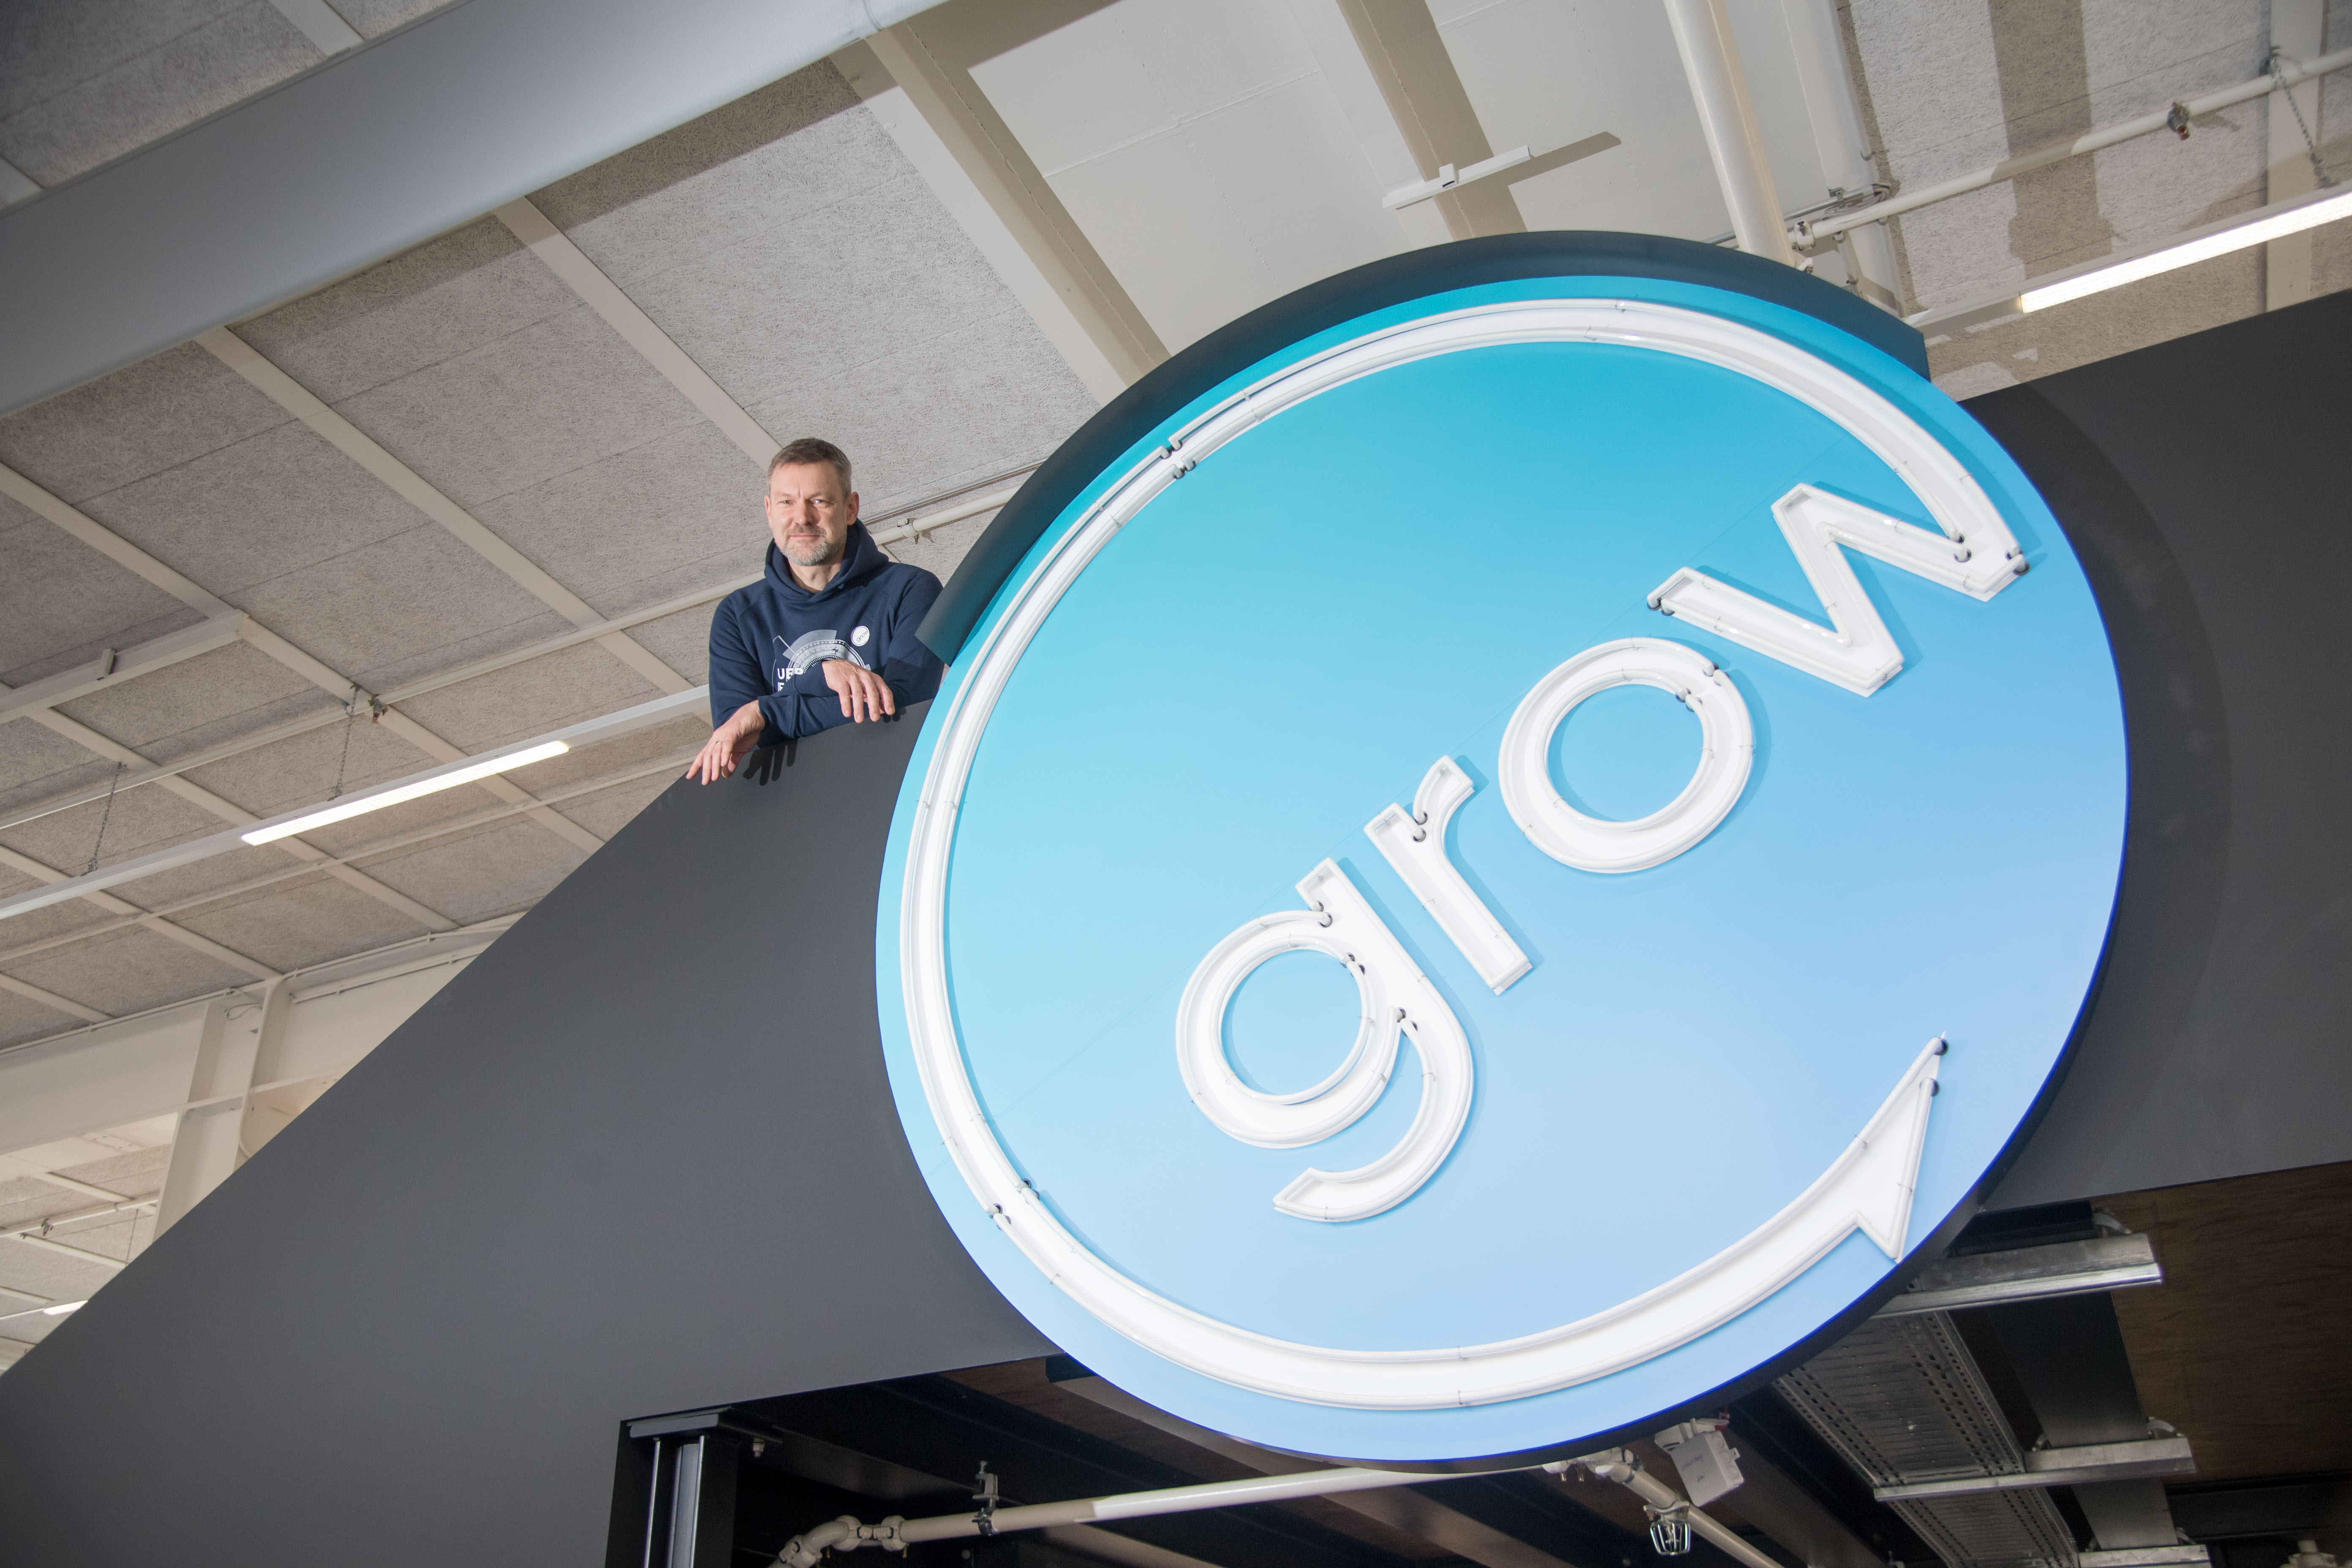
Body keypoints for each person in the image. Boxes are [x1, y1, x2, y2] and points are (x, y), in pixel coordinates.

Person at [687, 438, 945, 785]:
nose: (802, 518)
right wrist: (821, 677)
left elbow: (902, 707)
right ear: (769, 510)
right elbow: (739, 742)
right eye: (786, 502)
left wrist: (766, 711)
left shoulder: (910, 589)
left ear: (850, 509)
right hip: (791, 809)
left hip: (893, 795)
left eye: (818, 501)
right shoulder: (738, 615)